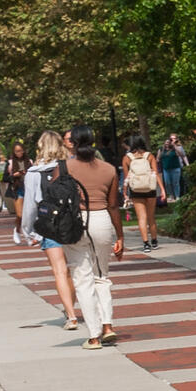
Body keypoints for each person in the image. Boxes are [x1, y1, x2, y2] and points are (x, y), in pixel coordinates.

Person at [61, 124, 125, 348]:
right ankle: (107, 325)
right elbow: (114, 206)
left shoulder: (64, 167)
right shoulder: (108, 169)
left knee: (82, 279)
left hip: (76, 222)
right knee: (101, 275)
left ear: (73, 143)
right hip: (101, 220)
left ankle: (94, 335)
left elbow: (52, 196)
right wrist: (120, 237)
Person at [22, 131, 84, 331]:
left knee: (60, 271)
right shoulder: (71, 166)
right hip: (72, 222)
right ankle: (72, 307)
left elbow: (30, 206)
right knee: (73, 269)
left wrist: (28, 230)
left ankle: (71, 315)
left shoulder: (33, 173)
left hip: (50, 225)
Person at [123, 135, 162, 251]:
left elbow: (127, 177)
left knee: (141, 218)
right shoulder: (149, 156)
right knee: (151, 217)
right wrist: (162, 189)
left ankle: (145, 243)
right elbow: (155, 173)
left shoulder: (127, 158)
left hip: (136, 190)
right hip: (150, 189)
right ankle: (154, 240)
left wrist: (125, 192)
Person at [3, 143, 32, 244]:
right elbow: (4, 178)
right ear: (14, 152)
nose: (19, 153)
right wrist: (14, 175)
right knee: (20, 214)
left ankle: (28, 234)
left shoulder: (29, 162)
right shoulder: (10, 163)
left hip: (28, 189)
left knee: (29, 214)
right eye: (17, 151)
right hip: (17, 189)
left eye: (21, 150)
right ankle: (17, 230)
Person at [157, 131, 186, 209]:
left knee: (175, 182)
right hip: (166, 169)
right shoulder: (161, 149)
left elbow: (182, 154)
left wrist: (174, 146)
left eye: (168, 142)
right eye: (166, 142)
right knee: (167, 183)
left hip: (175, 168)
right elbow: (158, 158)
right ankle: (171, 195)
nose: (167, 143)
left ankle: (177, 196)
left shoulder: (174, 149)